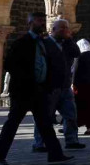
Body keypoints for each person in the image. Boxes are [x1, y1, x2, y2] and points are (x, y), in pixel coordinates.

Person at [0, 12, 74, 165]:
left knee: (45, 124)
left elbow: (53, 63)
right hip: (23, 91)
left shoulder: (45, 43)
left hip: (39, 91)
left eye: (43, 20)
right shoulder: (22, 42)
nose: (42, 23)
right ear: (30, 22)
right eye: (38, 21)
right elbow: (9, 64)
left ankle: (55, 154)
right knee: (12, 124)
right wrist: (26, 78)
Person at [32, 18, 83, 152]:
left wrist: (69, 39)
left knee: (71, 115)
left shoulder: (68, 44)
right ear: (53, 30)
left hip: (65, 86)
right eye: (62, 28)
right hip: (49, 87)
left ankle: (71, 140)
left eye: (67, 28)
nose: (65, 30)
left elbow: (77, 53)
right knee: (45, 116)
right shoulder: (45, 43)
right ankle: (39, 143)